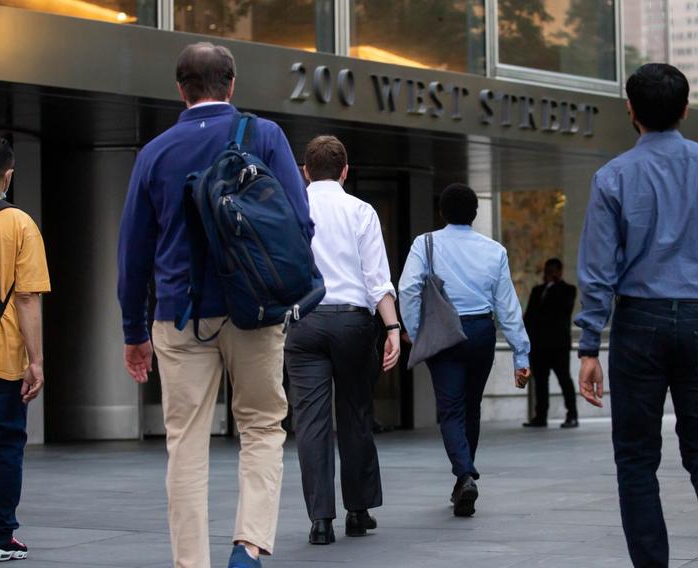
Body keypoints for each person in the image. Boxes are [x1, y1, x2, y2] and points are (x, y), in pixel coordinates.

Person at [117, 43, 312, 568]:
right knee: (262, 426)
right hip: (256, 311)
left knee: (185, 443)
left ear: (180, 89)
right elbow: (300, 226)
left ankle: (191, 563)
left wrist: (134, 331)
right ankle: (248, 545)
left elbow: (134, 251)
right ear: (231, 84)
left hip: (179, 314)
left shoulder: (154, 152)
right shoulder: (265, 136)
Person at [575, 63, 698, 568]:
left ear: (630, 111)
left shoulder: (613, 176)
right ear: (685, 109)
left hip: (640, 322)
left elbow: (598, 268)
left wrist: (590, 345)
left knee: (636, 458)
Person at [284, 135, 400, 545]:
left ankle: (320, 521)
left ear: (305, 170)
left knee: (310, 423)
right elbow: (376, 278)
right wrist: (392, 329)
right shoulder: (361, 211)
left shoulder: (292, 207)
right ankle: (358, 510)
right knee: (355, 413)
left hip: (304, 322)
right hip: (353, 323)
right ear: (345, 170)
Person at [398, 183, 531, 518]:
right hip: (482, 332)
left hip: (444, 333)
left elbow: (408, 287)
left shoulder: (425, 243)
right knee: (471, 408)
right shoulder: (494, 250)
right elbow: (508, 306)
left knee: (450, 410)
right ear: (475, 213)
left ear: (441, 212)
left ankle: (464, 474)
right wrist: (521, 354)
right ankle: (464, 478)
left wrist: (415, 331)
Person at [0, 137, 49, 562]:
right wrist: (36, 360)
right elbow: (27, 298)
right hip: (2, 352)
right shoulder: (19, 222)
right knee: (6, 443)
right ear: (8, 175)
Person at [522, 258, 578, 428]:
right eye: (546, 271)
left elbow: (563, 310)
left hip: (558, 344)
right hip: (539, 345)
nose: (548, 275)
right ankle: (540, 416)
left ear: (559, 272)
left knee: (564, 380)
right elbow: (530, 315)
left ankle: (572, 415)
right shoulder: (537, 290)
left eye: (552, 271)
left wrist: (553, 285)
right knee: (540, 381)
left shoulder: (567, 290)